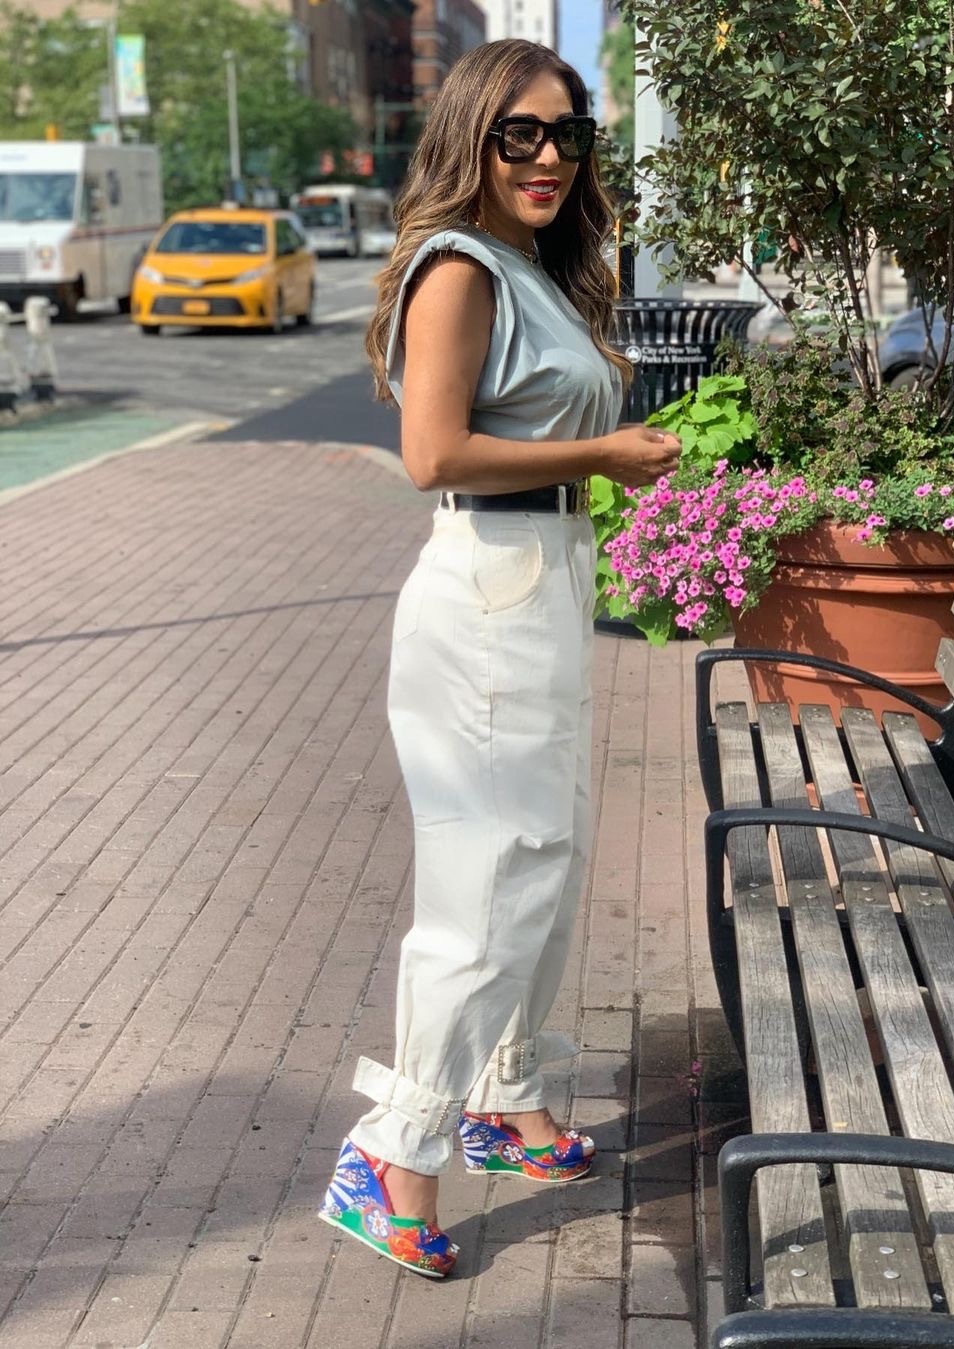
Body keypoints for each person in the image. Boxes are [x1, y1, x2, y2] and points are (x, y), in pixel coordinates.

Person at [318, 38, 681, 1279]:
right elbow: (432, 453)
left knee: (547, 857)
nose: (546, 156)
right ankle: (393, 1154)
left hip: (544, 576)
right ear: (472, 136)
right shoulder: (460, 269)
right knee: (485, 882)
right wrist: (605, 454)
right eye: (519, 132)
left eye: (567, 133)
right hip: (488, 585)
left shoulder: (530, 263)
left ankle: (505, 1096)